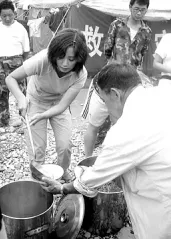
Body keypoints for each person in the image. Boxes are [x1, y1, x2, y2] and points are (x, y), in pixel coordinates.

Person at [41, 63, 171, 239]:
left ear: (115, 94)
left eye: (104, 100)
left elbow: (89, 181)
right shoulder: (162, 94)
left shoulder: (126, 130)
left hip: (163, 210)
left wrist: (62, 187)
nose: (106, 107)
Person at [5, 28, 88, 181]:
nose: (64, 64)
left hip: (58, 102)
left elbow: (62, 106)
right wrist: (21, 99)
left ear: (79, 58)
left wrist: (43, 115)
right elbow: (10, 78)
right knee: (37, 148)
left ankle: (63, 171)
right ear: (54, 54)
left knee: (65, 145)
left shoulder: (81, 74)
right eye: (61, 57)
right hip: (36, 100)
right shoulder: (42, 60)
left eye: (71, 59)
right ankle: (38, 177)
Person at [82, 0, 152, 157]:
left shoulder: (146, 31)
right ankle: (87, 160)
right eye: (136, 8)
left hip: (128, 85)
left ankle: (114, 160)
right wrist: (114, 65)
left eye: (142, 9)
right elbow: (107, 49)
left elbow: (141, 55)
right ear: (130, 8)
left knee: (120, 126)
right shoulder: (117, 25)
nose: (139, 12)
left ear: (147, 10)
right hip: (109, 79)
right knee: (94, 124)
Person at [0, 0, 30, 127]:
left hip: (17, 64)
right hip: (0, 64)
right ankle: (3, 120)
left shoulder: (21, 29)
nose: (7, 18)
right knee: (1, 93)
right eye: (4, 16)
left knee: (21, 92)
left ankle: (24, 119)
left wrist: (18, 62)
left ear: (15, 14)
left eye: (10, 15)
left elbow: (26, 51)